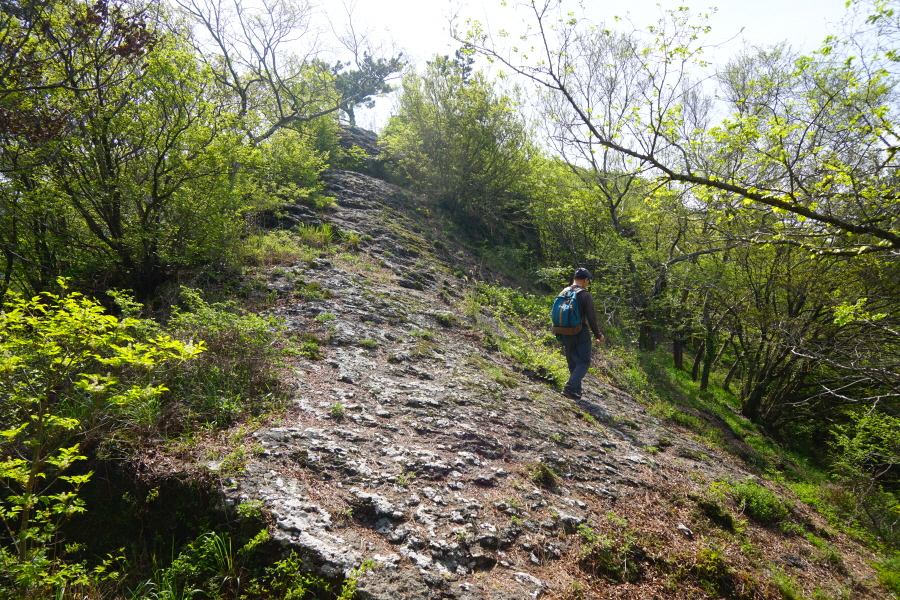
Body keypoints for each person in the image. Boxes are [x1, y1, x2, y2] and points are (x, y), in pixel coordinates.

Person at [557, 267, 604, 400]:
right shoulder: (585, 295)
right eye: (588, 281)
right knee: (584, 361)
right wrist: (598, 335)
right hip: (580, 331)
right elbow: (591, 318)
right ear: (585, 279)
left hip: (565, 331)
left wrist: (558, 335)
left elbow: (557, 315)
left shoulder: (564, 292)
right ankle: (569, 387)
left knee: (572, 361)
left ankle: (575, 391)